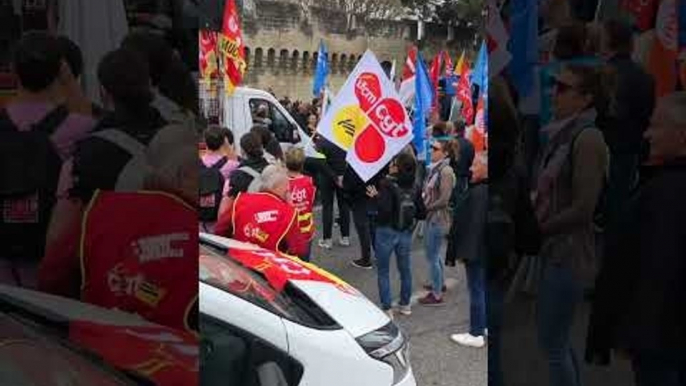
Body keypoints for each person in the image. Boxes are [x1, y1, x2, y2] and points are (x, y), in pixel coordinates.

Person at [38, 125, 198, 333]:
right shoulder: (194, 226)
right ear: (182, 175)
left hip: (95, 346)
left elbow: (53, 277)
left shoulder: (96, 209)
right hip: (171, 356)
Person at [586, 92, 686, 386]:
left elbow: (657, 274)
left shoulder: (666, 194)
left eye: (656, 126)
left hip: (661, 345)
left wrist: (631, 335)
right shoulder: (660, 185)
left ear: (681, 135)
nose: (647, 133)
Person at [532, 64, 608, 386]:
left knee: (553, 344)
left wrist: (539, 228)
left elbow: (583, 208)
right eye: (554, 86)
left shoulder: (587, 138)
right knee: (557, 342)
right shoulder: (563, 133)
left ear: (586, 98)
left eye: (564, 88)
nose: (555, 94)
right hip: (555, 249)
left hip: (570, 253)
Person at [0, 32, 95, 288]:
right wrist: (69, 81)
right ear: (60, 73)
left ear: (13, 71)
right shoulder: (78, 127)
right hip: (49, 261)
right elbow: (92, 121)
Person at [598, 19, 655, 233]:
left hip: (605, 142)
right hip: (629, 146)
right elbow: (646, 113)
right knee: (618, 199)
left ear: (609, 40)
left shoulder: (603, 74)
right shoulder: (645, 77)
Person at [366, 153, 425, 319]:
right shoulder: (415, 185)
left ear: (397, 167)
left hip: (386, 231)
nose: (390, 165)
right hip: (404, 231)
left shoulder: (387, 184)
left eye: (393, 163)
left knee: (383, 271)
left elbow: (384, 210)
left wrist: (376, 197)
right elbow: (422, 213)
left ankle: (387, 308)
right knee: (405, 269)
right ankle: (405, 305)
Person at [214, 165, 306, 257]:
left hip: (238, 261)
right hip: (268, 266)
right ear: (284, 188)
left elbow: (220, 230)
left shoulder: (241, 200)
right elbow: (298, 249)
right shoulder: (288, 213)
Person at [418, 138, 456, 306]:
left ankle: (437, 294)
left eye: (435, 149)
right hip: (434, 217)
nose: (431, 151)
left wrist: (427, 208)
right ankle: (438, 283)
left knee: (432, 256)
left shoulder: (445, 171)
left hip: (437, 219)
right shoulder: (436, 169)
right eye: (432, 148)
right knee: (434, 255)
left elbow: (444, 199)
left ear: (445, 153)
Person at [199, 126, 239, 232]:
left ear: (205, 143)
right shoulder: (229, 165)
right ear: (223, 143)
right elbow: (235, 159)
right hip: (217, 218)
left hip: (199, 218)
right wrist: (227, 144)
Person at [316, 136, 351, 249]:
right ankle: (345, 237)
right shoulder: (346, 138)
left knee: (327, 207)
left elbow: (320, 162)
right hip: (343, 175)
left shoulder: (322, 140)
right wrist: (340, 176)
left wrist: (334, 177)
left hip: (326, 176)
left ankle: (327, 240)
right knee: (344, 206)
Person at [285, 147, 316, 262]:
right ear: (302, 164)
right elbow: (311, 202)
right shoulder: (309, 181)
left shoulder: (282, 183)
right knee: (305, 264)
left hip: (289, 231)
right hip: (306, 229)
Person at [226, 131, 270, 198]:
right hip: (270, 207)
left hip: (247, 207)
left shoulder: (238, 175)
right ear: (261, 147)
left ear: (242, 150)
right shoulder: (272, 170)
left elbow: (232, 198)